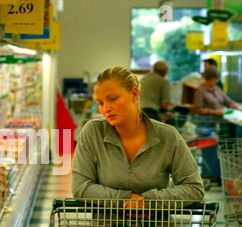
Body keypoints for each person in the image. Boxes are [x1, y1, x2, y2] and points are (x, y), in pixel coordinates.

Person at [72, 66, 204, 205]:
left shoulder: (167, 136)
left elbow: (194, 189)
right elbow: (81, 188)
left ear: (134, 94)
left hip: (155, 226)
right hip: (107, 226)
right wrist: (128, 200)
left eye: (113, 99)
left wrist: (148, 202)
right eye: (100, 103)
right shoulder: (93, 133)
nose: (106, 109)